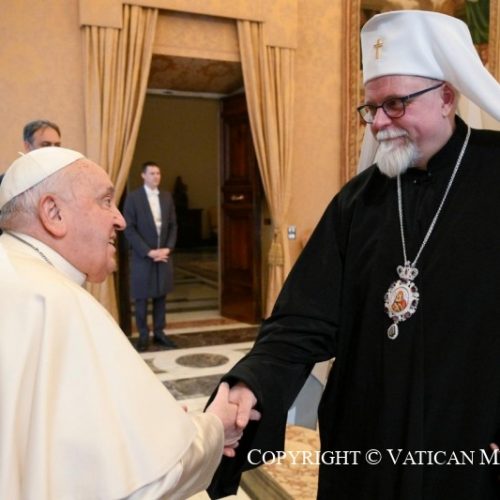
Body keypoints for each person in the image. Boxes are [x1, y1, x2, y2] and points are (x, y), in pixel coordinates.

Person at [207, 10, 500, 500]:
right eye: (371, 108)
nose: (379, 123)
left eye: (395, 104)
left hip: (471, 443)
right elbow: (302, 320)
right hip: (368, 446)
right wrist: (250, 384)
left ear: (447, 97)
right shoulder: (359, 201)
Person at [0, 147, 258, 499]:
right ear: (53, 213)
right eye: (105, 201)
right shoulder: (58, 301)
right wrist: (214, 427)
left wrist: (150, 426)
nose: (120, 220)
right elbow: (149, 482)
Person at [123, 161, 178, 352]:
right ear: (143, 175)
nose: (156, 176)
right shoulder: (133, 198)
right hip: (143, 257)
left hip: (163, 255)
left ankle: (160, 333)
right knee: (141, 297)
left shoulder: (167, 197)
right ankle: (143, 335)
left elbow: (173, 225)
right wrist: (148, 251)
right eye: (152, 173)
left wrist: (167, 248)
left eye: (158, 173)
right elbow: (129, 229)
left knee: (161, 295)